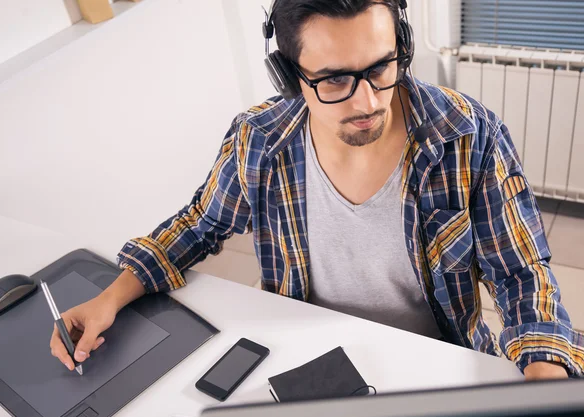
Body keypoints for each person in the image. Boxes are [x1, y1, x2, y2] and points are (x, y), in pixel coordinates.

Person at [50, 0, 584, 380]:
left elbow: (520, 274)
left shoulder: (468, 134)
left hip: (434, 363)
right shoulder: (259, 140)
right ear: (289, 77)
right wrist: (109, 298)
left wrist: (542, 382)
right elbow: (199, 225)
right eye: (333, 81)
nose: (368, 101)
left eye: (381, 67)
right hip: (303, 360)